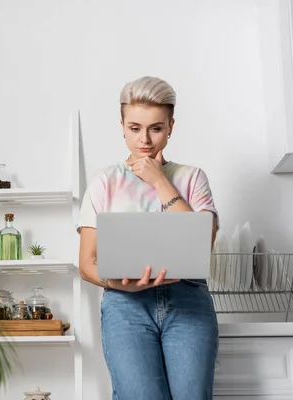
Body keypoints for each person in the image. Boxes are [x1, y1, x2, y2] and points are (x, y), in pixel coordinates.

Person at [77, 76, 219, 400]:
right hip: (125, 306)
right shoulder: (104, 182)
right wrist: (121, 285)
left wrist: (159, 181)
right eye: (135, 128)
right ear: (122, 126)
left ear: (170, 127)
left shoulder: (192, 178)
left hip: (188, 301)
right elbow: (87, 264)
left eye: (155, 128)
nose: (144, 139)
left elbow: (200, 245)